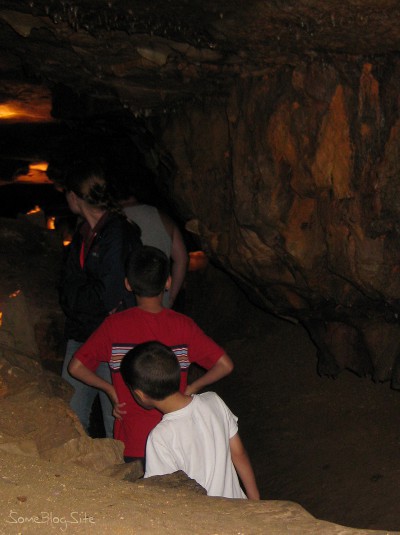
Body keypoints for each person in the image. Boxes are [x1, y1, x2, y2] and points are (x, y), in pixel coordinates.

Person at [68, 245, 234, 464]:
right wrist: (191, 389)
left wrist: (111, 390)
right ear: (167, 282)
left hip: (132, 443)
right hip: (179, 442)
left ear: (128, 283)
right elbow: (225, 365)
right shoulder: (183, 326)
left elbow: (75, 367)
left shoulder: (113, 326)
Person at [56, 158, 142, 438]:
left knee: (114, 416)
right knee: (72, 415)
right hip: (82, 335)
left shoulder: (117, 233)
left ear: (74, 195)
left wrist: (74, 296)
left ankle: (118, 477)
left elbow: (108, 294)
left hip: (111, 340)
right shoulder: (84, 235)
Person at [120, 340, 260, 500]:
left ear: (140, 394)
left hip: (204, 519)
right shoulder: (213, 401)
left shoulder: (160, 436)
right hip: (238, 506)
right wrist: (254, 499)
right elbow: (239, 453)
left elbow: (161, 491)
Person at [113, 179, 188, 308]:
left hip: (124, 309)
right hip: (159, 305)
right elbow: (182, 259)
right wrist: (170, 297)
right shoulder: (163, 217)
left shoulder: (111, 221)